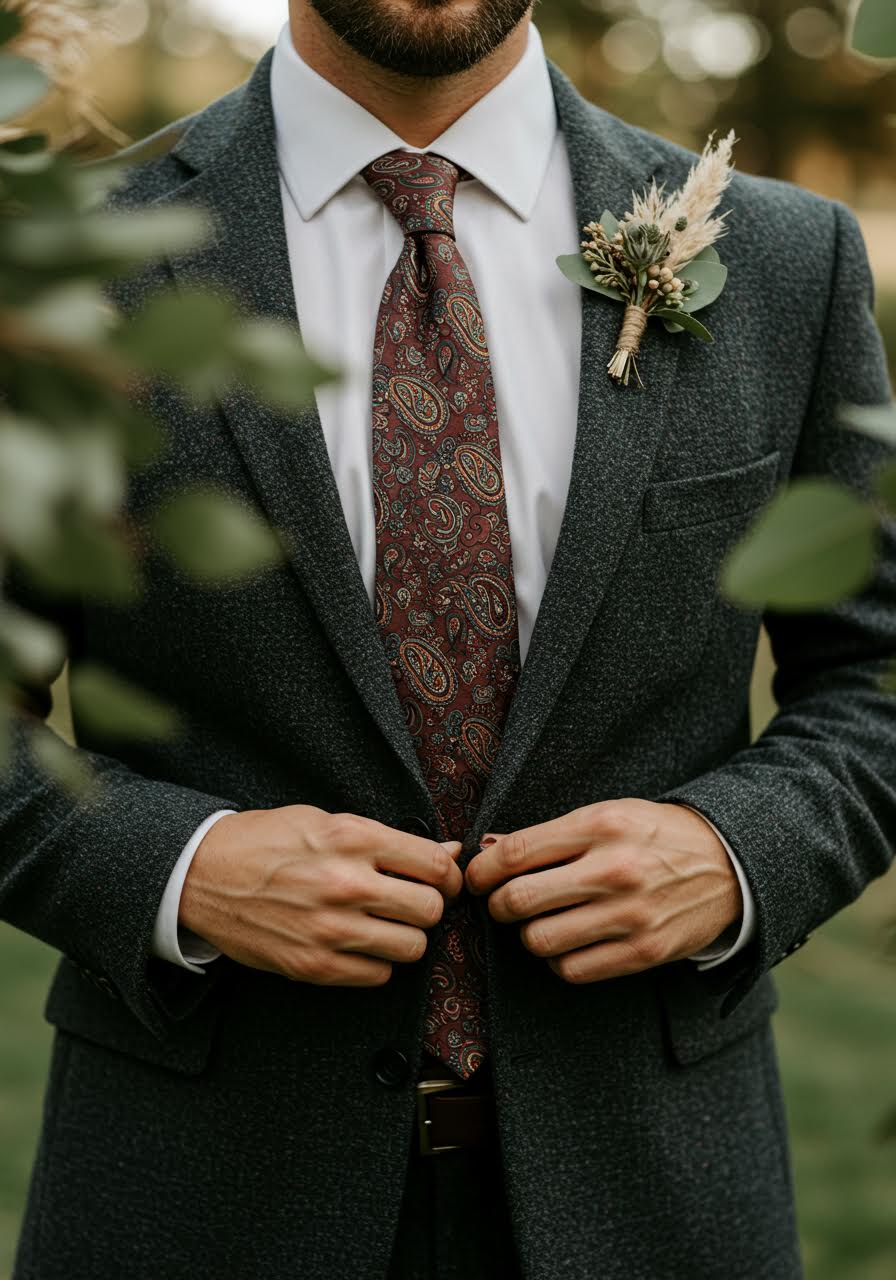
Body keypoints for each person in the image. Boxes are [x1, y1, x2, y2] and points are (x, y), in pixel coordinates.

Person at [3, 1, 895, 1276]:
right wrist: (175, 868)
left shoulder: (783, 259)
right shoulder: (58, 263)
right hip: (199, 1193)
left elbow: (871, 678)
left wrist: (736, 848)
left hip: (654, 1190)